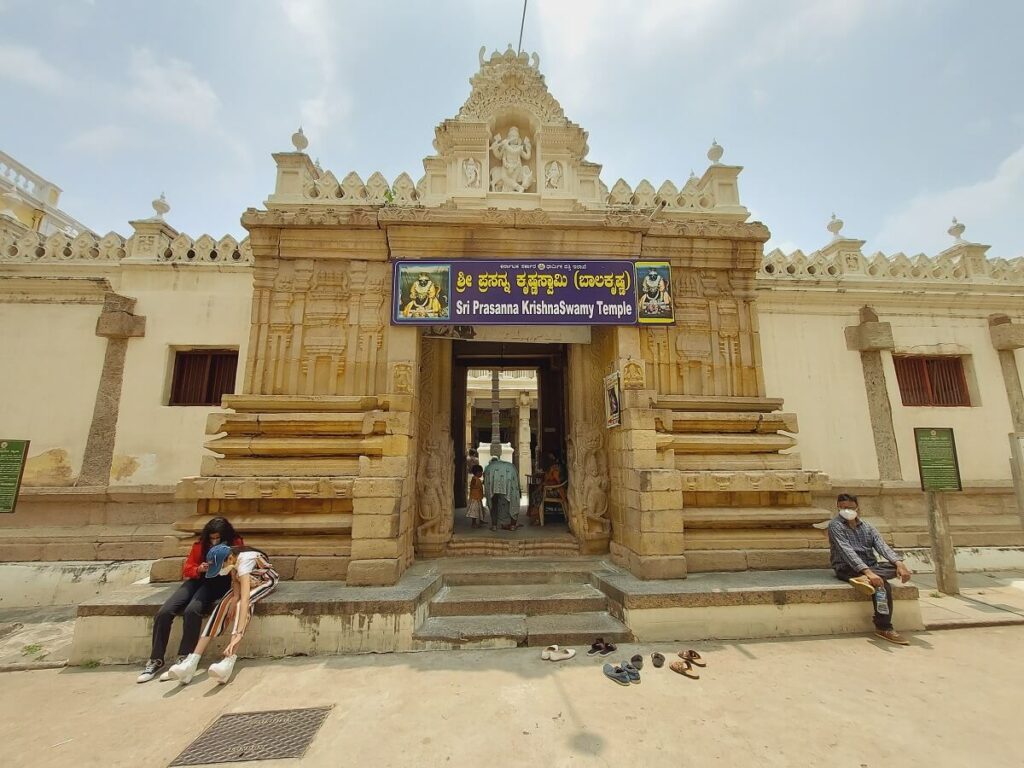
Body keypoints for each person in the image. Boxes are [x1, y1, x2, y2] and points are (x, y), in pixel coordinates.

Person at [136, 517, 244, 683]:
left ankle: (184, 657)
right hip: (197, 579)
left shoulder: (235, 543)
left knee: (192, 610)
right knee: (165, 612)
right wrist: (199, 568)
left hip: (217, 583)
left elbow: (239, 567)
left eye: (218, 538)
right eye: (212, 538)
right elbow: (187, 568)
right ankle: (156, 659)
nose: (214, 541)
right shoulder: (200, 545)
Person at [166, 545, 279, 686]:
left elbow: (245, 600)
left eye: (221, 566)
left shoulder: (245, 561)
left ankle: (229, 660)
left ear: (230, 558)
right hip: (245, 580)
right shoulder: (233, 558)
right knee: (223, 604)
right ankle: (193, 660)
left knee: (241, 606)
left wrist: (238, 635)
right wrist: (234, 598)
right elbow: (236, 580)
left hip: (264, 581)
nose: (220, 570)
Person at [827, 493, 913, 645]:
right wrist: (868, 572)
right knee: (882, 584)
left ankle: (864, 579)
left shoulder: (867, 527)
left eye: (850, 507)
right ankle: (884, 627)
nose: (847, 510)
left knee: (896, 567)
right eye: (843, 507)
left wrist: (899, 564)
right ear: (838, 507)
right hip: (847, 567)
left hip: (872, 567)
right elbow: (847, 551)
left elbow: (882, 546)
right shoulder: (835, 526)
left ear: (857, 507)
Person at [483, 455, 521, 531]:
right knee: (513, 502)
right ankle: (513, 525)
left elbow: (486, 481)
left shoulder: (488, 467)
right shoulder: (510, 466)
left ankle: (494, 526)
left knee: (494, 503)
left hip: (493, 481)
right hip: (509, 476)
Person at [467, 464, 485, 528]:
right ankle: (473, 523)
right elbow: (474, 485)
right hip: (474, 498)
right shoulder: (474, 479)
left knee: (480, 510)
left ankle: (481, 520)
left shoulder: (477, 479)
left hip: (478, 497)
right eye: (481, 472)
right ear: (477, 473)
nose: (481, 474)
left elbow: (479, 484)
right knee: (474, 511)